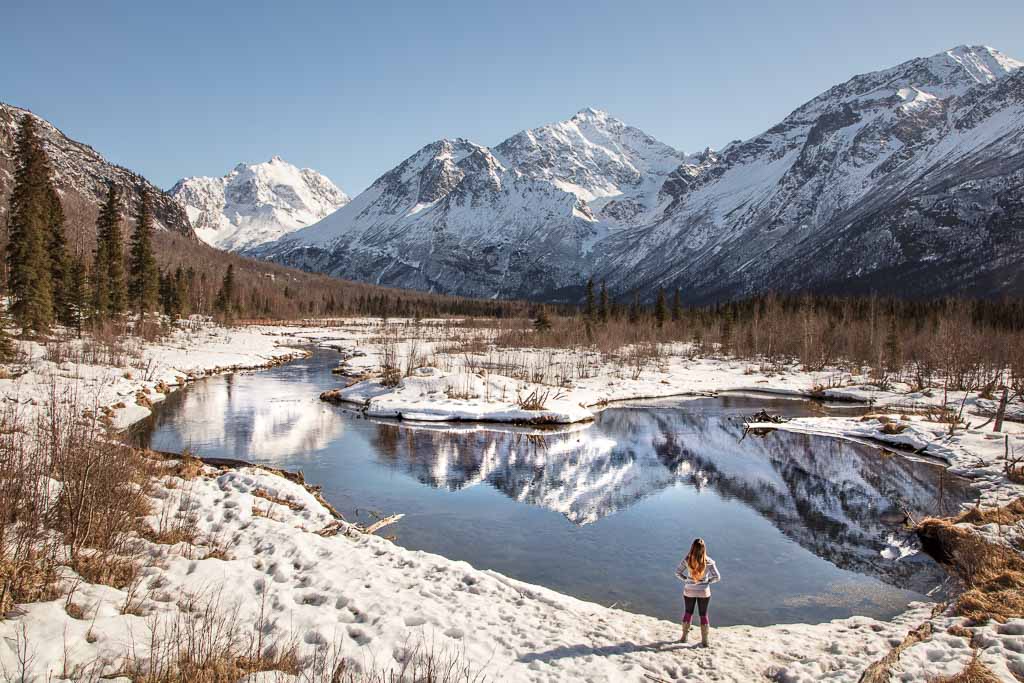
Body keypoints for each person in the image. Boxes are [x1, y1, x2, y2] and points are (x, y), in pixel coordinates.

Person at [674, 538, 720, 647]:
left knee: (688, 612)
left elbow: (677, 572)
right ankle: (705, 641)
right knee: (703, 615)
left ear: (692, 547)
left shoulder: (687, 560)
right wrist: (708, 581)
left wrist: (686, 579)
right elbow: (717, 577)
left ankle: (684, 637)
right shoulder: (709, 561)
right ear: (704, 549)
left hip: (689, 590)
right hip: (704, 592)